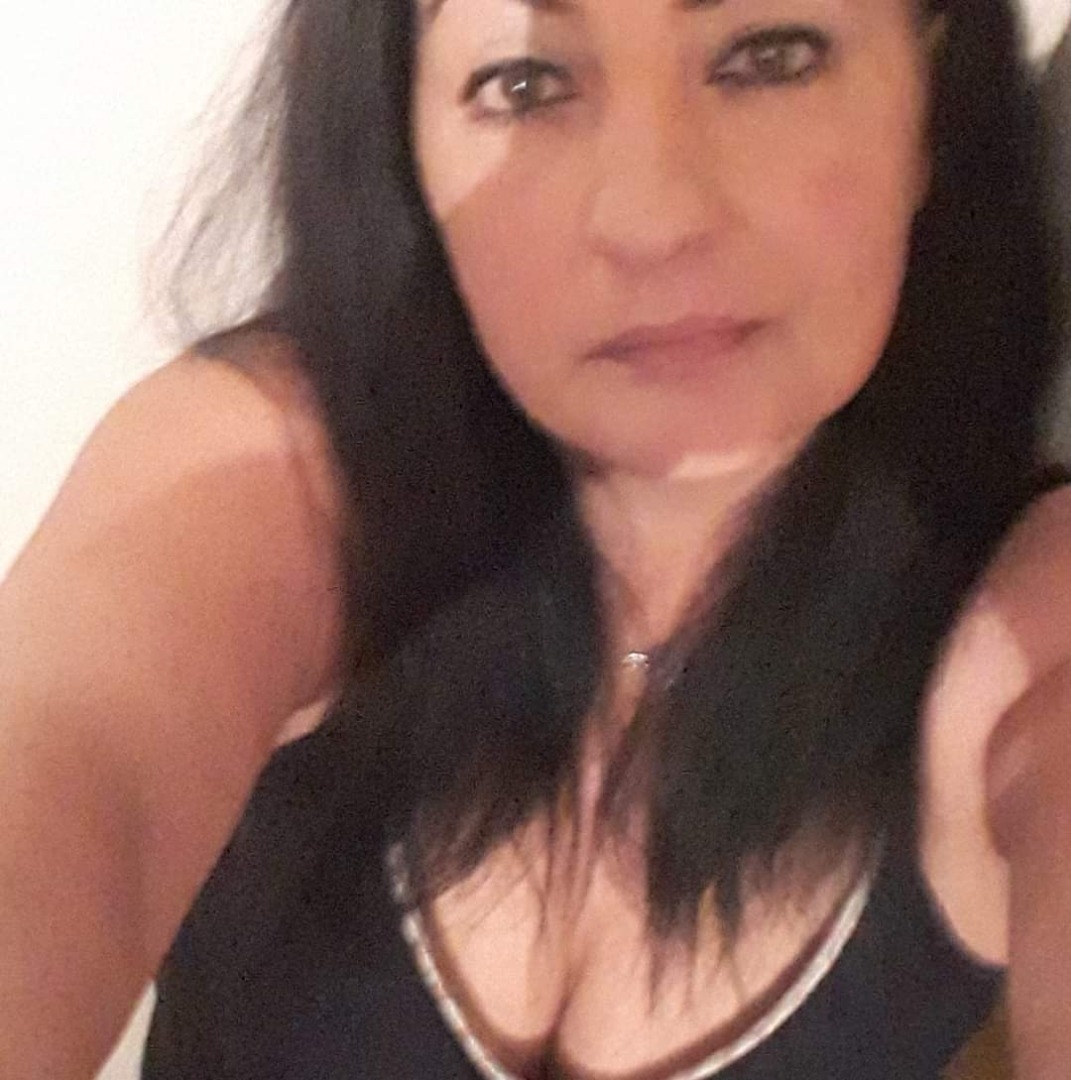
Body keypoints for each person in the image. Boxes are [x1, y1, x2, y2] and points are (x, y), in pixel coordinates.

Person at [3, 0, 1071, 1076]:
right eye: (525, 84)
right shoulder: (271, 478)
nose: (654, 219)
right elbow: (74, 749)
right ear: (404, 140)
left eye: (768, 55)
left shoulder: (1024, 615)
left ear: (929, 105)